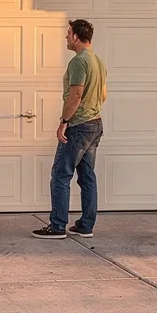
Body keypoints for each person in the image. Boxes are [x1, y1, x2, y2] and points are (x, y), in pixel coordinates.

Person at [34, 19, 106, 238]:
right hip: (95, 124)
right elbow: (103, 95)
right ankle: (86, 225)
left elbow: (76, 94)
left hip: (78, 125)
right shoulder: (98, 61)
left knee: (60, 175)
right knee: (87, 176)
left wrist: (64, 121)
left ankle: (57, 226)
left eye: (68, 33)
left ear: (76, 36)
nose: (66, 37)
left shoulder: (79, 61)